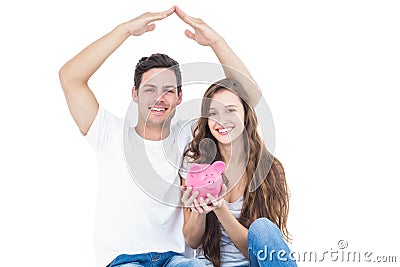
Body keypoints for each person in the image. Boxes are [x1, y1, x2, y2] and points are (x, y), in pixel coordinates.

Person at [59, 5, 261, 267]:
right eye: (150, 89)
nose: (159, 98)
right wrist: (125, 30)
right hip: (124, 261)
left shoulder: (189, 135)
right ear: (135, 93)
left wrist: (216, 42)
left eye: (168, 90)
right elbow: (69, 77)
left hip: (176, 259)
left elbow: (247, 97)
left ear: (179, 97)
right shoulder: (107, 131)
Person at [180, 78, 297, 266]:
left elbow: (260, 249)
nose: (221, 121)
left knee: (263, 228)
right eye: (213, 113)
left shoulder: (268, 169)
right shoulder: (197, 166)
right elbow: (192, 241)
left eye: (230, 110)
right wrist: (198, 211)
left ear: (245, 114)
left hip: (253, 263)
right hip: (211, 264)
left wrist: (221, 209)